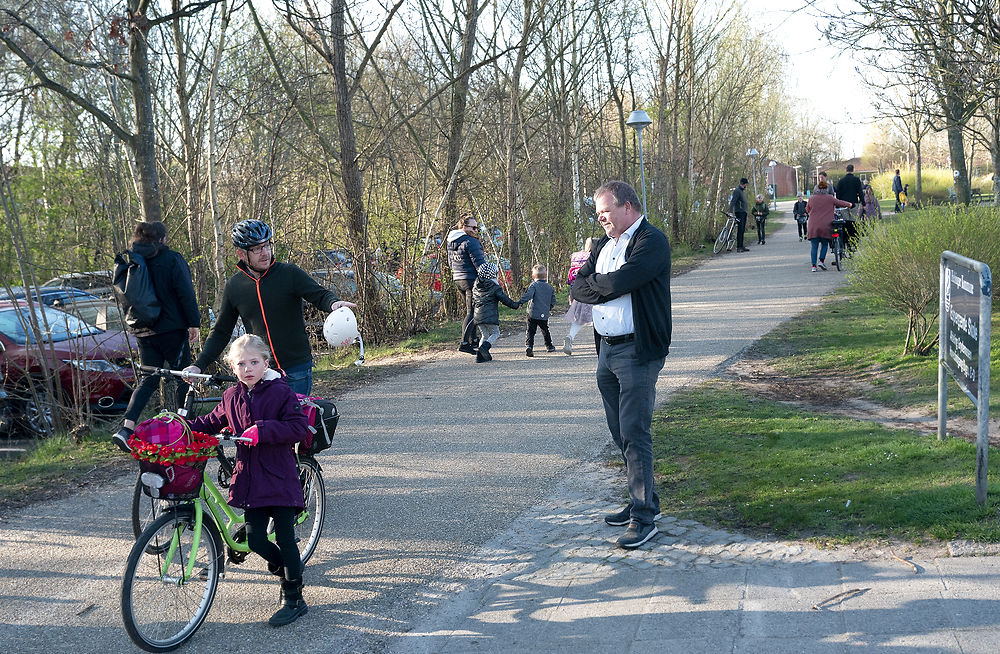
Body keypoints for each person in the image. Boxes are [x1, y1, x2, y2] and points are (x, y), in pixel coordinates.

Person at [570, 181, 671, 549]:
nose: (600, 219)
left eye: (605, 211)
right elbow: (577, 288)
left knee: (634, 431)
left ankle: (644, 519)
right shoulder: (604, 245)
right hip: (606, 351)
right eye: (598, 214)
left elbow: (625, 280)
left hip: (638, 350)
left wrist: (596, 283)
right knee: (619, 431)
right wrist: (600, 283)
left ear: (627, 207)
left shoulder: (650, 241)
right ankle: (646, 502)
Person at [187, 334, 310, 627]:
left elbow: (298, 428)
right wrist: (179, 426)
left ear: (265, 363)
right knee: (255, 540)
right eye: (241, 364)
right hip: (251, 480)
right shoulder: (231, 396)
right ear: (233, 368)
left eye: (254, 362)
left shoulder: (281, 392)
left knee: (284, 539)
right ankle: (286, 568)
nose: (248, 368)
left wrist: (263, 430)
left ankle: (294, 596)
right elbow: (209, 422)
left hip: (279, 478)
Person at [182, 219, 354, 395]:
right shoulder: (235, 286)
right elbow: (221, 332)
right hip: (260, 372)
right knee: (265, 422)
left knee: (294, 422)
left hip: (296, 368)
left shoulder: (289, 273)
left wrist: (334, 303)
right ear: (242, 254)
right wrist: (198, 365)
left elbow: (320, 295)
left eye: (266, 246)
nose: (264, 252)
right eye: (256, 249)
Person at [111, 221, 201, 451]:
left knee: (148, 379)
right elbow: (185, 292)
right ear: (161, 239)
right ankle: (185, 429)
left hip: (143, 330)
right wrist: (194, 323)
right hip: (172, 329)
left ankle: (126, 428)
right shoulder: (171, 259)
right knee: (184, 376)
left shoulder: (131, 261)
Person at [447, 213, 488, 355]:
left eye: (477, 228)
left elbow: (450, 262)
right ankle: (464, 343)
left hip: (458, 279)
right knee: (473, 312)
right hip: (471, 280)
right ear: (464, 227)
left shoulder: (451, 242)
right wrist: (488, 279)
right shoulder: (471, 242)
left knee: (470, 310)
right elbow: (480, 265)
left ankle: (474, 339)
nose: (476, 231)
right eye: (474, 227)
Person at [472, 261, 520, 363]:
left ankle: (480, 357)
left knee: (484, 335)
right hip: (489, 315)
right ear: (494, 274)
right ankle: (484, 348)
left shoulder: (476, 286)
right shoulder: (494, 286)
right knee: (495, 333)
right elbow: (504, 299)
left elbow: (473, 301)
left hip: (477, 315)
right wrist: (515, 305)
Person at [805, 181, 853, 272]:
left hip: (813, 225)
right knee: (824, 244)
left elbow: (807, 210)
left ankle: (813, 266)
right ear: (826, 189)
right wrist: (849, 204)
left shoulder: (811, 199)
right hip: (826, 225)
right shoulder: (830, 198)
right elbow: (840, 202)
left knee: (814, 246)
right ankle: (821, 261)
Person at [563, 238, 595, 355]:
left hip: (578, 291)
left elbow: (570, 277)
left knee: (579, 320)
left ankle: (570, 337)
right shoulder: (593, 257)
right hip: (592, 291)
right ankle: (601, 346)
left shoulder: (576, 257)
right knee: (598, 319)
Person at [518, 264, 557, 357]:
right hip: (544, 313)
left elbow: (528, 295)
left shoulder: (533, 285)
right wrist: (548, 308)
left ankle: (529, 346)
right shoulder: (549, 287)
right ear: (545, 276)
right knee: (545, 329)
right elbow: (553, 301)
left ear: (533, 276)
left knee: (531, 330)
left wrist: (520, 302)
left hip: (533, 312)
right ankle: (549, 346)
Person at [835, 164, 865, 251]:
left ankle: (845, 241)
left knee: (845, 222)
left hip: (843, 205)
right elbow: (860, 192)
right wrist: (863, 202)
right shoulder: (856, 180)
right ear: (853, 170)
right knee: (853, 222)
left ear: (846, 170)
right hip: (853, 204)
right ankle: (853, 242)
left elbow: (838, 194)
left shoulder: (841, 181)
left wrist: (838, 205)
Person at [728, 178, 750, 252]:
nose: (746, 185)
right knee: (740, 230)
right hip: (740, 212)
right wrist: (730, 211)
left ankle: (741, 245)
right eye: (746, 184)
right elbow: (733, 201)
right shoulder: (737, 191)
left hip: (743, 212)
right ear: (743, 184)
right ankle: (739, 247)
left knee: (742, 230)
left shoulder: (741, 191)